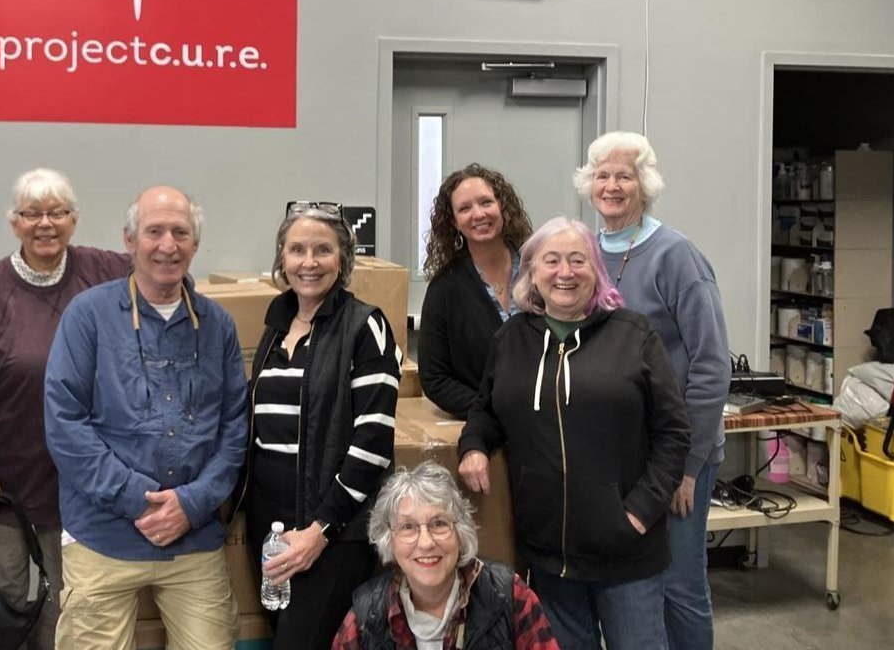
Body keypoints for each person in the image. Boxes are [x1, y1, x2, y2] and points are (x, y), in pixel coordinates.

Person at [457, 216, 689, 650]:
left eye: (578, 260)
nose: (565, 272)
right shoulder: (511, 339)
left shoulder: (633, 334)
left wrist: (637, 513)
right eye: (552, 261)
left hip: (626, 553)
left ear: (596, 271)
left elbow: (673, 433)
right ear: (532, 273)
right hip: (548, 558)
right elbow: (486, 408)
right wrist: (473, 446)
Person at [44, 185, 247, 650]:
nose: (167, 245)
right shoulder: (88, 317)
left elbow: (235, 429)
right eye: (154, 231)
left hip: (192, 538)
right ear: (129, 240)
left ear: (195, 244)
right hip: (102, 534)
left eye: (180, 232)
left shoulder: (218, 326)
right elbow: (65, 423)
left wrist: (191, 504)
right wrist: (139, 499)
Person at [0, 168, 130, 650]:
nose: (45, 224)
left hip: (79, 486)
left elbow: (165, 269)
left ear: (74, 219)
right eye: (32, 214)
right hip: (4, 488)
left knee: (66, 608)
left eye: (57, 212)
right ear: (14, 223)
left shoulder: (101, 271)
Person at [574, 132, 731, 650]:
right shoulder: (586, 252)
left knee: (679, 585)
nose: (612, 186)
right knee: (633, 582)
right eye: (602, 175)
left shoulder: (677, 256)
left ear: (645, 185)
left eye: (624, 176)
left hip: (678, 452)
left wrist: (688, 467)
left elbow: (710, 365)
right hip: (619, 453)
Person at [240, 201, 401, 650]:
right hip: (268, 522)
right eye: (296, 250)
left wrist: (320, 530)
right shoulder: (276, 326)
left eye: (322, 250)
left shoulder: (365, 326)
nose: (308, 263)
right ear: (282, 258)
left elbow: (373, 442)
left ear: (343, 259)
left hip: (333, 529)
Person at [331, 461, 560, 650]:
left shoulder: (509, 595)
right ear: (388, 540)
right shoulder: (366, 616)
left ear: (460, 533)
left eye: (439, 524)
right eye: (408, 527)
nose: (426, 543)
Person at [420, 165, 534, 418]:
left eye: (486, 202)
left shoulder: (539, 271)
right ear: (453, 221)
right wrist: (490, 410)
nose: (478, 214)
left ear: (502, 206)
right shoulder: (444, 289)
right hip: (485, 426)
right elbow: (434, 377)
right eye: (464, 208)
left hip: (549, 420)